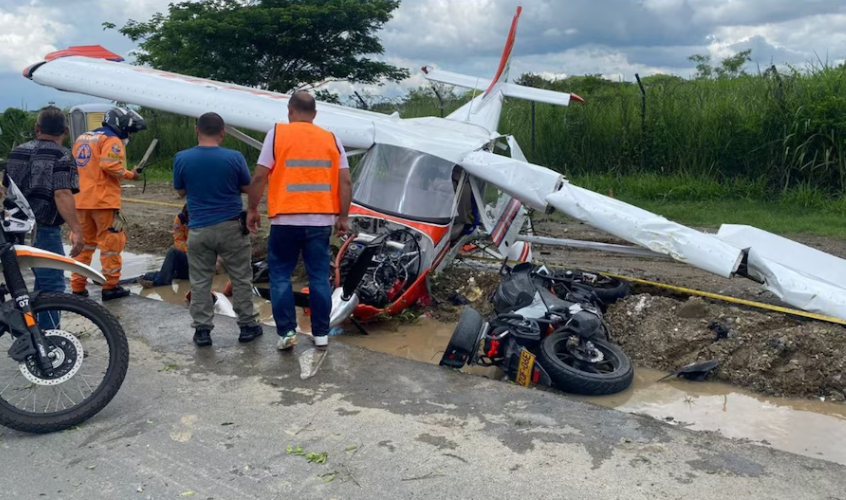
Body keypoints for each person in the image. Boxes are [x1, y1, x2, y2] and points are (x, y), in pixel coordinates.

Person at [247, 91, 352, 351]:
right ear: (315, 115)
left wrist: (251, 209)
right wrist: (343, 217)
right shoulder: (331, 138)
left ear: (290, 111)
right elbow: (346, 181)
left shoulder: (277, 134)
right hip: (320, 221)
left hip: (284, 219)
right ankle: (321, 335)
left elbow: (260, 177)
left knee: (280, 275)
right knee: (318, 277)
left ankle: (286, 333)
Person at [174, 112, 262, 347]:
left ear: (197, 130)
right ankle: (247, 326)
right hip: (231, 226)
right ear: (222, 132)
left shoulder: (181, 158)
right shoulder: (234, 157)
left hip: (199, 229)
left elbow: (180, 192)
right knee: (241, 278)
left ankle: (202, 331)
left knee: (200, 281)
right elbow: (247, 186)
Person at [5, 106, 84, 328]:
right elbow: (62, 193)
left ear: (37, 128)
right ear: (65, 132)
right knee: (51, 285)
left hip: (12, 228)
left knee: (18, 285)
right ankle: (49, 342)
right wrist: (76, 229)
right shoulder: (63, 155)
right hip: (43, 229)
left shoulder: (17, 152)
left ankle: (30, 332)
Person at [71, 107, 145, 301]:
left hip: (80, 200)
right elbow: (109, 165)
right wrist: (130, 174)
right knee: (111, 244)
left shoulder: (82, 139)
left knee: (84, 245)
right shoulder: (111, 140)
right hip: (103, 201)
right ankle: (110, 287)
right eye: (128, 131)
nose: (128, 134)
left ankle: (77, 287)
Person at [137, 204, 190, 288]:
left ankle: (162, 283)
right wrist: (188, 251)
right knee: (150, 275)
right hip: (188, 260)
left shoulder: (205, 223)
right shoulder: (180, 219)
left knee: (172, 252)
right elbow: (178, 241)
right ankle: (157, 279)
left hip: (199, 266)